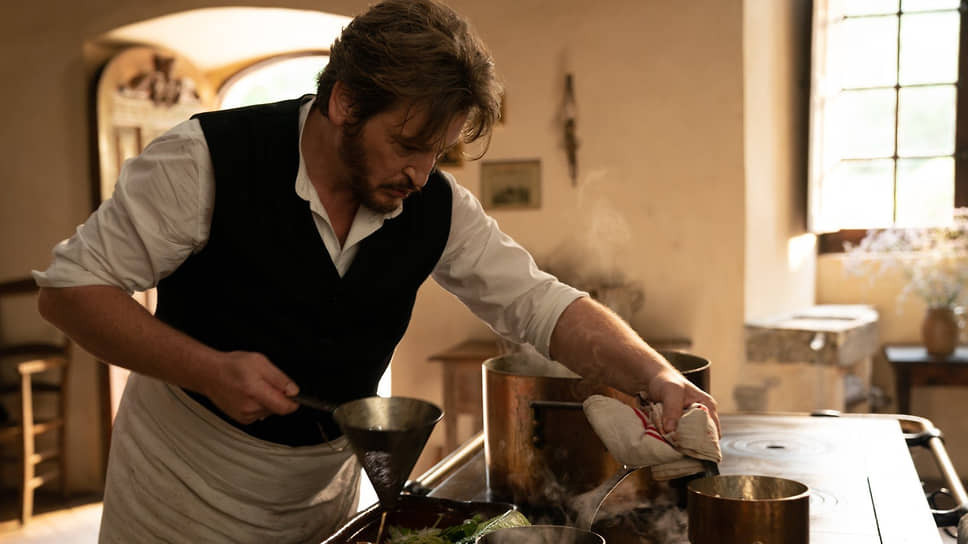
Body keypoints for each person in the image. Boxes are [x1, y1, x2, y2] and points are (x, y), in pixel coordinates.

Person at [34, 0, 718, 542]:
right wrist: (207, 369)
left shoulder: (436, 206)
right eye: (408, 145)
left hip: (324, 497)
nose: (421, 174)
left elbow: (542, 305)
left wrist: (655, 374)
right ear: (344, 104)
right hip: (180, 495)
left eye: (438, 153)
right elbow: (70, 291)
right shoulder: (204, 161)